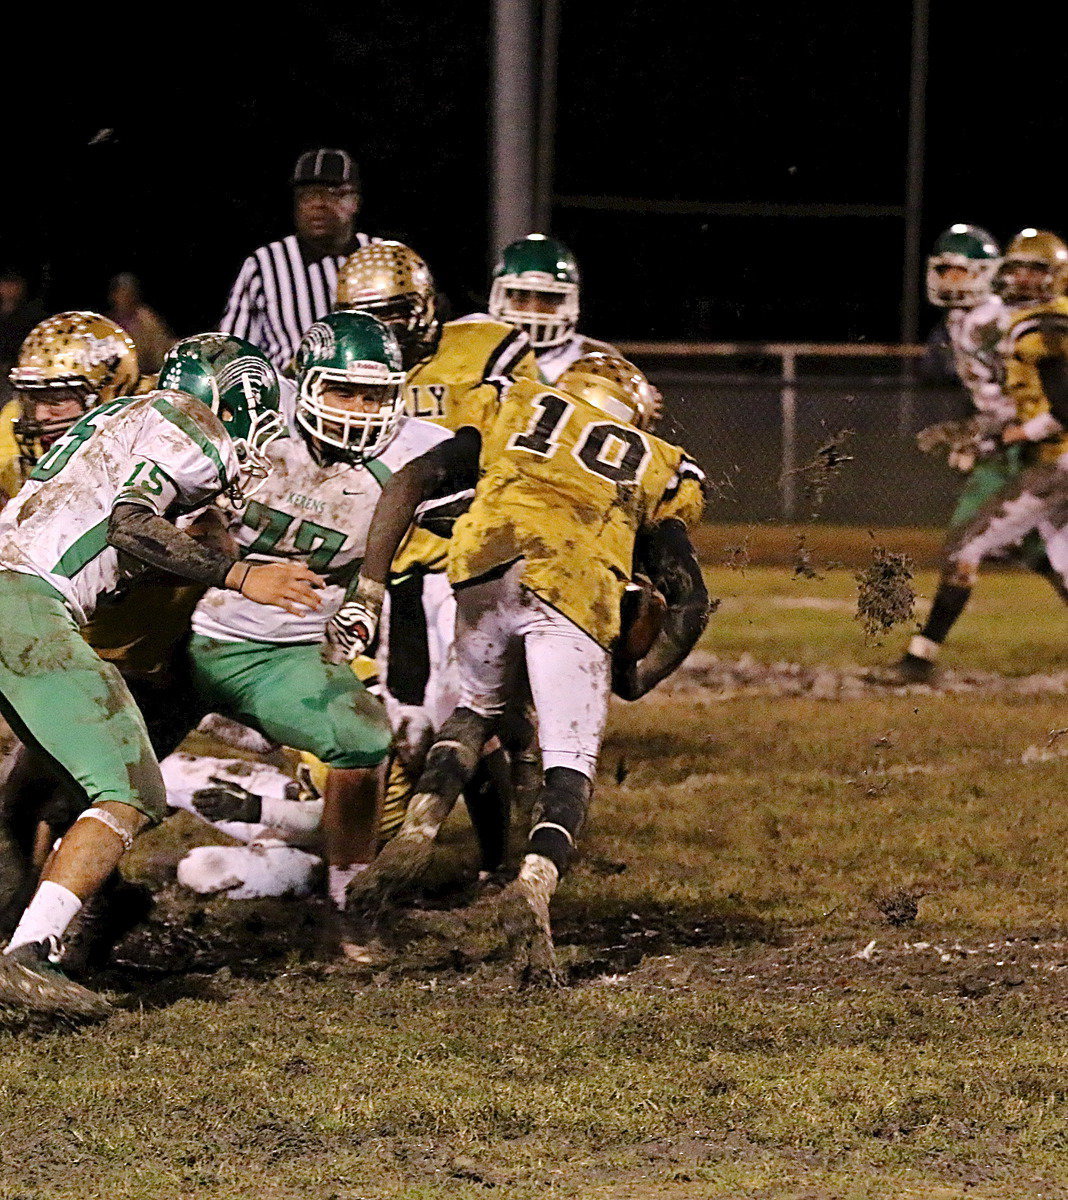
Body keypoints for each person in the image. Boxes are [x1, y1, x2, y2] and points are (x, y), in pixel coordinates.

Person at [343, 353, 710, 978]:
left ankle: (415, 836)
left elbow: (412, 479)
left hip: (485, 559)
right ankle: (532, 887)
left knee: (474, 710)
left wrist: (370, 587)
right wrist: (635, 680)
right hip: (571, 580)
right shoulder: (660, 461)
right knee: (571, 763)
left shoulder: (514, 403)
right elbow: (690, 600)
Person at [0, 334, 322, 1021]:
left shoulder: (115, 418)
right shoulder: (191, 430)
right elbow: (129, 523)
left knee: (23, 795)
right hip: (24, 605)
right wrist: (241, 574)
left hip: (14, 588)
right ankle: (25, 955)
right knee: (131, 786)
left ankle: (21, 935)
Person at [185, 311, 452, 915]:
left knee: (365, 738)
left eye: (374, 394)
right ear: (301, 382)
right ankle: (59, 904)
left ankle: (350, 905)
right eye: (341, 389)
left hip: (299, 651)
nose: (357, 409)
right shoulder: (248, 416)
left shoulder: (414, 452)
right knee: (114, 767)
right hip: (189, 628)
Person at [334, 240, 542, 870]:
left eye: (392, 315)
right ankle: (429, 855)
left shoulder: (485, 351)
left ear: (423, 308)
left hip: (474, 563)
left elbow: (529, 438)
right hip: (398, 571)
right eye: (366, 317)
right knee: (418, 731)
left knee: (478, 717)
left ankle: (504, 858)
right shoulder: (351, 365)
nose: (381, 333)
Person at [894, 228, 1068, 681]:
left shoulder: (1002, 320)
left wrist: (992, 435)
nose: (951, 279)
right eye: (944, 269)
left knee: (966, 542)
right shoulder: (967, 318)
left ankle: (919, 657)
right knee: (1044, 552)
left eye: (960, 270)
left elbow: (1035, 390)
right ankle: (920, 655)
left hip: (1031, 445)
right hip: (1023, 440)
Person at [219, 148, 373, 371]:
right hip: (290, 397)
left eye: (331, 193)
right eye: (308, 195)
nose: (318, 204)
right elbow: (231, 351)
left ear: (355, 201)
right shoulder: (264, 264)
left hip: (376, 391)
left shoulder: (381, 255)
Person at [0, 311, 140, 503]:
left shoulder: (148, 451)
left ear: (108, 394)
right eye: (33, 399)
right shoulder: (14, 422)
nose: (40, 415)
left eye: (56, 401)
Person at [488, 234, 621, 383]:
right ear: (502, 297)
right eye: (522, 296)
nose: (534, 309)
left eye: (548, 298)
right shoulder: (473, 344)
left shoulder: (594, 359)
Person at [106, 273, 175, 373]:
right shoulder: (107, 323)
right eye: (122, 292)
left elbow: (160, 350)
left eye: (130, 292)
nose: (126, 297)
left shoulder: (146, 319)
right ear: (113, 295)